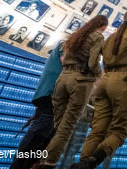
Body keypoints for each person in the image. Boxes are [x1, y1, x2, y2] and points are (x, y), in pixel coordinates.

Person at [71, 10, 127, 169]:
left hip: (104, 82)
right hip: (123, 83)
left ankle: (82, 164)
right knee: (119, 132)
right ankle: (93, 161)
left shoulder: (111, 37)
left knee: (97, 130)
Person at [35, 16, 108, 168]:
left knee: (59, 126)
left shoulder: (75, 36)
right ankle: (48, 164)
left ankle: (41, 160)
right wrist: (98, 74)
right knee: (66, 128)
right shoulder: (98, 37)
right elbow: (93, 61)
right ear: (103, 26)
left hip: (62, 80)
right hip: (80, 81)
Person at [10, 43, 63, 169]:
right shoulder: (67, 46)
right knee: (36, 141)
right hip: (52, 101)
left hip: (53, 102)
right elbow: (66, 62)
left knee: (42, 143)